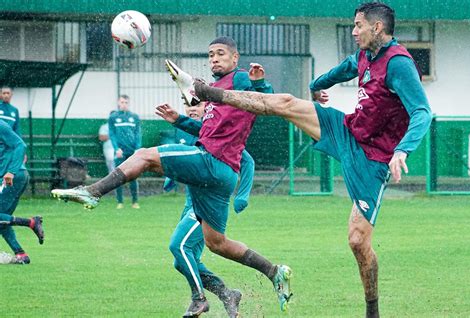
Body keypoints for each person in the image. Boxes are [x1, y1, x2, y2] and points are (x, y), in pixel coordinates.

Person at [188, 4, 432, 317]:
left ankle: (373, 310)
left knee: (357, 241)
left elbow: (422, 111)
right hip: (346, 130)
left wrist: (403, 150)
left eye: (358, 26)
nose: (354, 31)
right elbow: (339, 72)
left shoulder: (399, 64)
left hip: (374, 159)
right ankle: (211, 93)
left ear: (377, 28)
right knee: (288, 103)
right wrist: (316, 87)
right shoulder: (364, 57)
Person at [52, 36, 293, 312]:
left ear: (235, 58)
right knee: (217, 244)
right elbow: (208, 131)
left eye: (221, 54)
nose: (214, 58)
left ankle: (92, 192)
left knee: (143, 155)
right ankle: (274, 272)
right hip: (219, 174)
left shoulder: (239, 79)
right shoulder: (215, 91)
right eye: (211, 54)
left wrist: (260, 82)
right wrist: (178, 120)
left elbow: (268, 99)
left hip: (212, 162)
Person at [163, 102, 253, 317]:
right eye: (186, 104)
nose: (191, 108)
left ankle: (199, 300)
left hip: (206, 204)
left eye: (196, 104)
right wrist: (170, 175)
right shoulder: (185, 130)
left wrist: (242, 195)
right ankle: (227, 294)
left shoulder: (216, 132)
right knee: (183, 261)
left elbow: (247, 160)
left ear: (209, 108)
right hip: (189, 203)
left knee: (178, 247)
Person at [0, 120, 44, 265]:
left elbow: (20, 145)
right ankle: (21, 254)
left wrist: (11, 172)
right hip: (14, 175)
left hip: (13, 175)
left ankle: (31, 222)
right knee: (2, 220)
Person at [108, 95, 142, 209]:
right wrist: (116, 148)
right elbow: (112, 134)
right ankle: (120, 202)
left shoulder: (134, 117)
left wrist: (137, 148)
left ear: (129, 103)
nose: (124, 104)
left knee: (133, 176)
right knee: (118, 177)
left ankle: (135, 201)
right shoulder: (113, 117)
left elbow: (138, 133)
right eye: (122, 102)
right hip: (119, 151)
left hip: (132, 151)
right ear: (118, 103)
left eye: (126, 102)